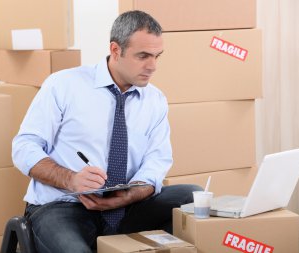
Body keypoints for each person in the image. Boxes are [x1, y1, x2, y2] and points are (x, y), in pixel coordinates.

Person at [12, 10, 202, 253]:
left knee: (193, 196)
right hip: (64, 205)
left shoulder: (154, 100)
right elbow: (24, 147)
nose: (152, 66)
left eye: (157, 56)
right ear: (115, 50)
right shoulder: (64, 85)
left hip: (125, 207)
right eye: (143, 55)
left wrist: (130, 194)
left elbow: (157, 161)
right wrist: (71, 179)